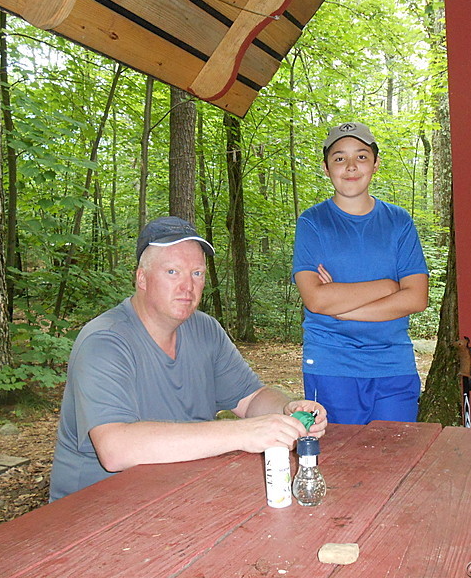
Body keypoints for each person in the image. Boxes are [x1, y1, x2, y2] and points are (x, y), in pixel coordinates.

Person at [50, 216, 327, 501]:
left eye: (197, 273)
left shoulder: (205, 330)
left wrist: (287, 412)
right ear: (141, 278)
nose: (187, 286)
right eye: (173, 272)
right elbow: (115, 449)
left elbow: (251, 398)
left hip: (181, 495)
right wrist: (242, 433)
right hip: (97, 512)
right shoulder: (105, 342)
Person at [292, 121, 429, 425]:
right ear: (327, 168)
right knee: (338, 460)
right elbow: (315, 300)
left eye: (362, 156)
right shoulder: (313, 222)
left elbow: (417, 298)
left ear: (376, 163)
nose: (351, 166)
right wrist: (388, 285)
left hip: (393, 364)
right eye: (340, 158)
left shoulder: (399, 222)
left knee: (394, 457)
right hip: (330, 363)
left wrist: (341, 309)